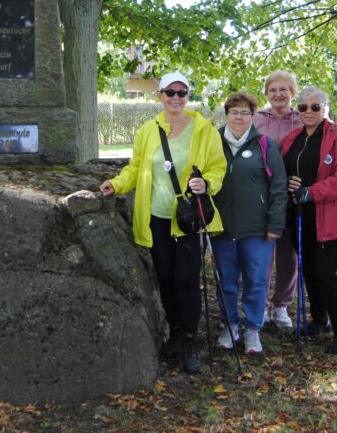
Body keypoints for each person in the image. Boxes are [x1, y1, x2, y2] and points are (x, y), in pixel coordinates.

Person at [99, 71, 227, 374]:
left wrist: (206, 183)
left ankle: (191, 342)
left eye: (182, 93)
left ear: (188, 97)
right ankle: (176, 335)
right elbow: (136, 168)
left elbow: (218, 168)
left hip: (187, 218)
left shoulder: (204, 129)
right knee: (166, 279)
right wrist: (116, 185)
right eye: (170, 93)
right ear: (160, 96)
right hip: (155, 217)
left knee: (186, 279)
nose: (176, 99)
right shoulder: (147, 130)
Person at [279, 86, 337, 356]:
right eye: (303, 107)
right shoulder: (292, 138)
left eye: (315, 107)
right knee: (309, 270)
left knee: (326, 273)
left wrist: (311, 192)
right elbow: (282, 170)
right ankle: (319, 318)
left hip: (328, 215)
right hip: (299, 215)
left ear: (324, 109)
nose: (309, 112)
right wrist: (289, 184)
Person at [211, 92, 287, 355]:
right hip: (221, 229)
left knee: (256, 279)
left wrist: (275, 225)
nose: (239, 117)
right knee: (226, 281)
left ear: (252, 116)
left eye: (244, 112)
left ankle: (253, 328)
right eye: (234, 112)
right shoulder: (213, 142)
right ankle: (230, 325)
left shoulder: (265, 145)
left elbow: (278, 187)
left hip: (257, 230)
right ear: (227, 115)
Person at [253, 70, 302, 330]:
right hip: (263, 193)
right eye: (273, 90)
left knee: (289, 253)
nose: (278, 94)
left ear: (292, 92)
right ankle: (259, 303)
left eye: (284, 89)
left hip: (292, 193)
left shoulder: (302, 118)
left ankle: (281, 304)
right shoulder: (257, 119)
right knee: (262, 251)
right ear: (266, 94)